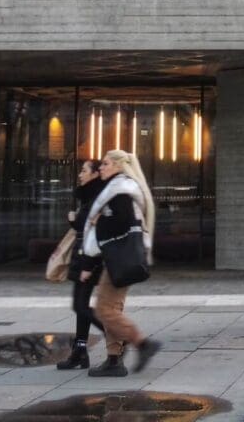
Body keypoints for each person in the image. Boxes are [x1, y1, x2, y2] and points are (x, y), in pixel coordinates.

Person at [80, 150, 161, 377]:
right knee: (111, 308)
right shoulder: (121, 189)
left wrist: (98, 222)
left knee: (104, 310)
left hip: (120, 259)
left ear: (117, 165)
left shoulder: (120, 192)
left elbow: (118, 224)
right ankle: (114, 359)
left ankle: (142, 343)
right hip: (119, 258)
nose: (101, 168)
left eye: (105, 164)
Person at [56, 160, 106, 370]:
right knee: (80, 304)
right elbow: (84, 226)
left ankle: (117, 333)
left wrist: (88, 265)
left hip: (89, 257)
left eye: (84, 170)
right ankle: (80, 351)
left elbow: (94, 231)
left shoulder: (96, 197)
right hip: (83, 255)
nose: (80, 174)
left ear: (95, 174)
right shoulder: (88, 196)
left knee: (79, 305)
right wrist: (74, 221)